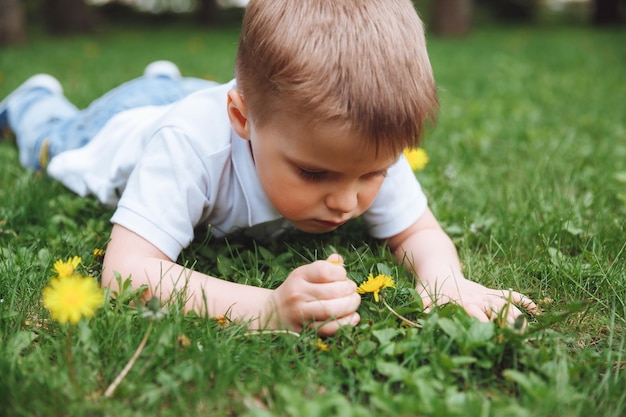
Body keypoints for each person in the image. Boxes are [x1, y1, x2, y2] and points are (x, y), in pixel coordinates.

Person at [0, 0, 536, 336]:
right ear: (242, 119)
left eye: (373, 174)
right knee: (52, 144)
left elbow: (419, 229)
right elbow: (126, 271)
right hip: (126, 123)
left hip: (205, 98)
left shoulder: (360, 142)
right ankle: (33, 99)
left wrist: (446, 281)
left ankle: (166, 78)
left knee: (189, 94)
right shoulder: (190, 144)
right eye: (314, 174)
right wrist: (269, 309)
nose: (348, 202)